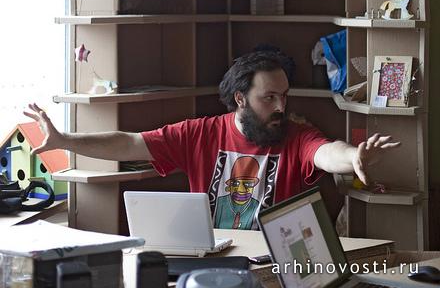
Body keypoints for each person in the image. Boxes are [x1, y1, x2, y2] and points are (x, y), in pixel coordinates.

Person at [25, 50, 400, 230]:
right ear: (241, 98)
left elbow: (325, 152)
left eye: (284, 96)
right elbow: (128, 143)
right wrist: (65, 140)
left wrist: (353, 157)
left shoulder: (296, 135)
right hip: (214, 259)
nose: (281, 106)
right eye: (269, 97)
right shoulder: (199, 133)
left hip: (278, 263)